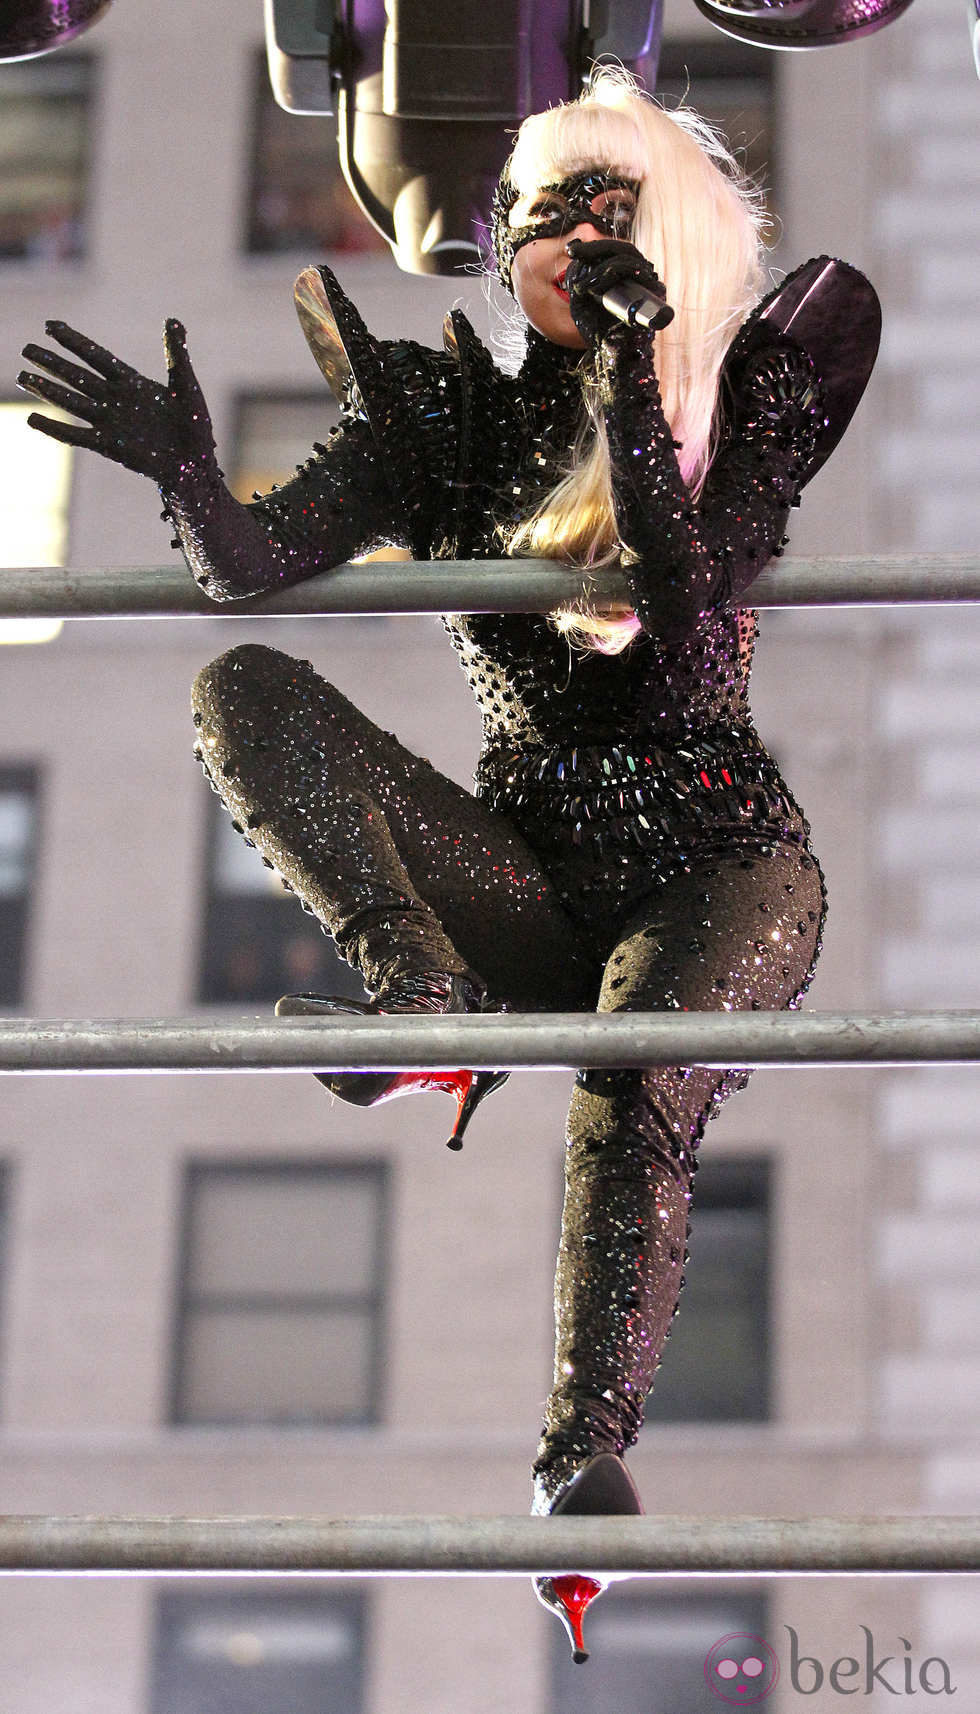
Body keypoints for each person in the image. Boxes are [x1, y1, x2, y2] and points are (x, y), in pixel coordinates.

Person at [18, 69, 879, 1663]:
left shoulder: (732, 399)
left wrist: (633, 381)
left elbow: (686, 632)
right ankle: (421, 988)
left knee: (635, 1076)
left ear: (670, 238)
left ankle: (579, 1451)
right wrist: (184, 468)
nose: (563, 234)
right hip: (529, 882)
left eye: (602, 207)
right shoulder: (447, 408)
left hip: (718, 868)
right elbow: (250, 571)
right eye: (540, 208)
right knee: (245, 692)